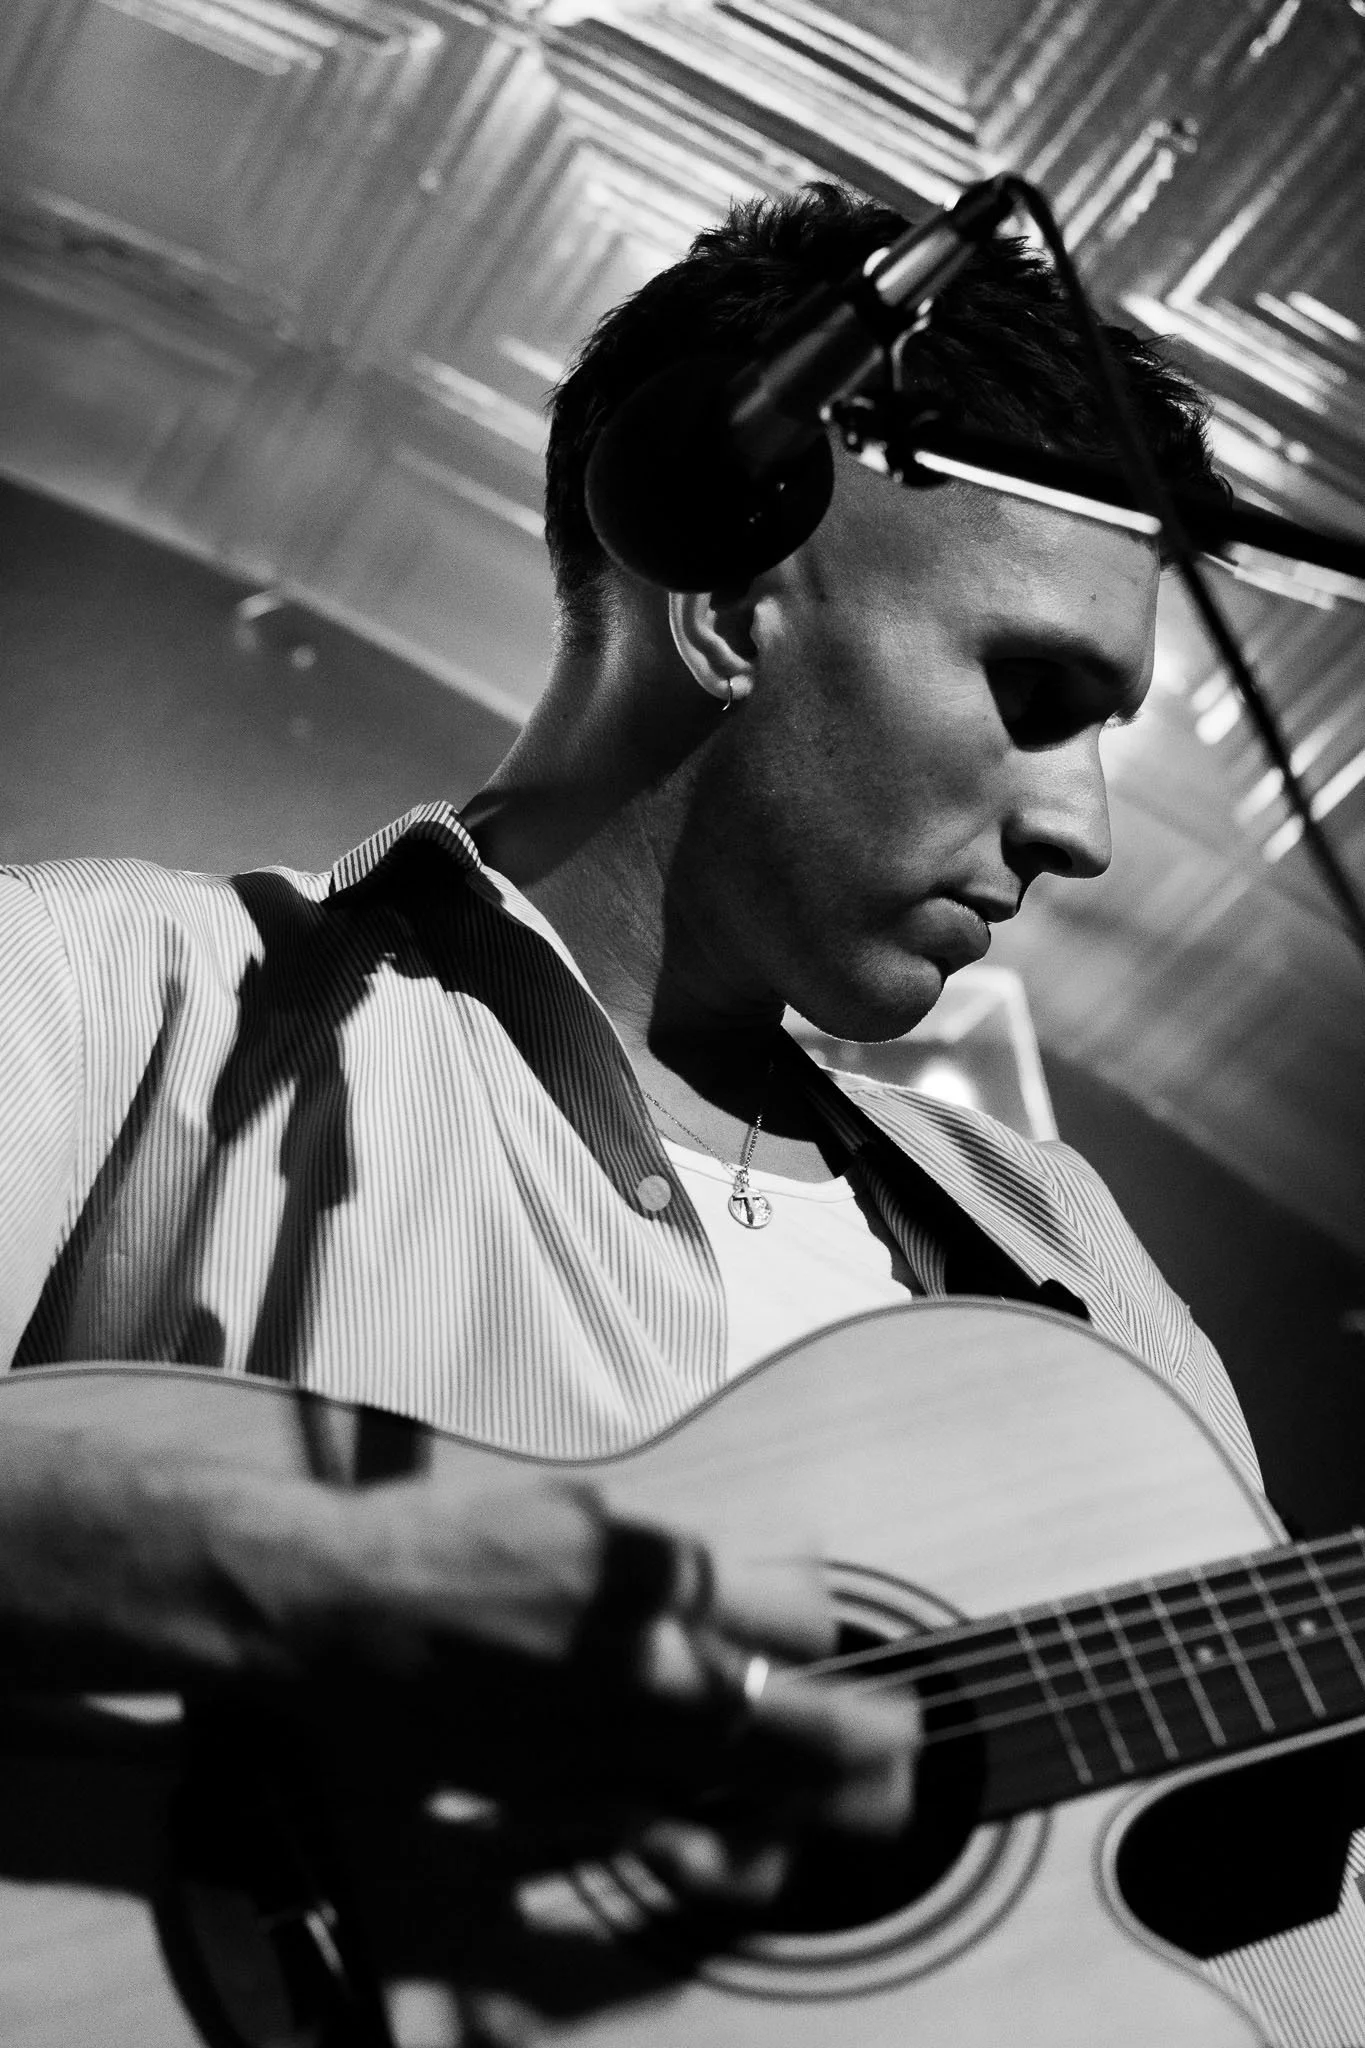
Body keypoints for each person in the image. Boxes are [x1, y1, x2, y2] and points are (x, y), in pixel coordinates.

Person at [2, 183, 1343, 2043]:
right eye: (1034, 692)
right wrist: (335, 1572)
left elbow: (1296, 1955)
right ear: (723, 601)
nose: (1085, 827)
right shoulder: (112, 994)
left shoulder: (1075, 1265)